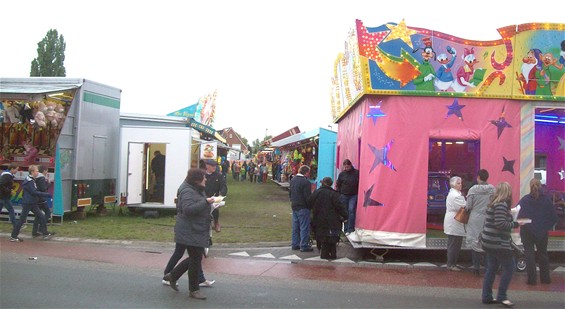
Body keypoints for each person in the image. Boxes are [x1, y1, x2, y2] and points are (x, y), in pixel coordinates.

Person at [162, 168, 214, 300]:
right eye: (204, 177)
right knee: (195, 258)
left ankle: (173, 276)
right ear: (197, 179)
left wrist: (210, 203)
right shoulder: (187, 191)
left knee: (195, 257)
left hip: (194, 229)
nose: (206, 179)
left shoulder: (195, 189)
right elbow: (188, 209)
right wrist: (206, 202)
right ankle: (193, 289)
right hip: (190, 229)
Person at [481, 182, 529, 307]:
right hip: (498, 243)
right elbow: (500, 224)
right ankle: (502, 296)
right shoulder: (501, 205)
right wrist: (516, 224)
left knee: (491, 268)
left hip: (488, 241)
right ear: (507, 193)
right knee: (510, 267)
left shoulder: (493, 203)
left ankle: (486, 296)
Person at [517, 178, 558, 285]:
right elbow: (554, 217)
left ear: (530, 187)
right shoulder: (546, 200)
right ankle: (545, 279)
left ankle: (532, 280)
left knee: (529, 254)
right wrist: (545, 226)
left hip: (527, 231)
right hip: (542, 231)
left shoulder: (525, 200)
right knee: (543, 254)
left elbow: (518, 216)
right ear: (541, 186)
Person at [10, 165, 53, 242]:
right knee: (22, 220)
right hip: (28, 203)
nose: (37, 172)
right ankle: (13, 236)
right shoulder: (29, 181)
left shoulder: (31, 180)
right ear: (32, 172)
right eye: (36, 171)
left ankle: (45, 233)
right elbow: (33, 192)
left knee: (41, 216)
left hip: (32, 202)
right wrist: (46, 195)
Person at [309, 177, 348, 260]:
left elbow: (310, 203)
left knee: (321, 236)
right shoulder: (334, 194)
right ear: (331, 183)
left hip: (318, 218)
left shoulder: (316, 192)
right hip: (332, 219)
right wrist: (345, 216)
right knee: (332, 237)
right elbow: (339, 206)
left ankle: (322, 252)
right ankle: (332, 253)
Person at [465, 169, 495, 275]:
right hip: (487, 218)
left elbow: (468, 206)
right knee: (486, 242)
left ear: (478, 177)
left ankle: (476, 268)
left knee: (475, 243)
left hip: (475, 219)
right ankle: (487, 268)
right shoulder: (492, 189)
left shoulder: (473, 190)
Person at [443, 176, 466, 271]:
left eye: (460, 183)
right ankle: (451, 264)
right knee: (453, 243)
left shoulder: (456, 194)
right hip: (454, 221)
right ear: (452, 184)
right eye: (458, 183)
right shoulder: (455, 195)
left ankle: (453, 263)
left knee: (456, 243)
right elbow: (463, 206)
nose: (460, 185)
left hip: (455, 220)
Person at [289, 165, 313, 252]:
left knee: (295, 227)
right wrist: (310, 206)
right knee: (304, 227)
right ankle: (304, 245)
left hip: (294, 205)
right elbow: (307, 197)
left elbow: (290, 193)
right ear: (306, 172)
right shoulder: (306, 182)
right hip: (303, 207)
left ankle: (295, 244)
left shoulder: (293, 180)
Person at [335, 159, 359, 235]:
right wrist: (339, 193)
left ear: (350, 165)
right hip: (344, 194)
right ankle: (346, 229)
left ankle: (350, 228)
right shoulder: (342, 174)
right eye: (345, 167)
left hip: (353, 194)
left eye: (347, 167)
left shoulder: (356, 173)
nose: (346, 168)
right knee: (345, 212)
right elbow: (338, 184)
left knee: (351, 210)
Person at [204, 159, 227, 232]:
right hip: (204, 196)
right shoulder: (202, 175)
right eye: (212, 166)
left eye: (215, 166)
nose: (214, 167)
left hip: (215, 197)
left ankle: (216, 223)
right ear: (207, 166)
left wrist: (221, 194)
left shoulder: (219, 176)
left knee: (215, 209)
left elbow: (223, 186)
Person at [32, 165, 52, 238]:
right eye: (47, 171)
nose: (47, 172)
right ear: (44, 171)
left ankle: (34, 231)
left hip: (36, 198)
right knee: (47, 212)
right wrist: (48, 184)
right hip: (41, 198)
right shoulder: (42, 178)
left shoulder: (35, 177)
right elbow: (43, 189)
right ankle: (42, 228)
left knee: (38, 215)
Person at [0, 163, 19, 228]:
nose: (17, 171)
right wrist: (9, 191)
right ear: (12, 169)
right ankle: (15, 225)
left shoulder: (6, 175)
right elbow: (1, 185)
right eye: (16, 169)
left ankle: (15, 224)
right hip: (4, 196)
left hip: (2, 196)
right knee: (11, 210)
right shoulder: (6, 176)